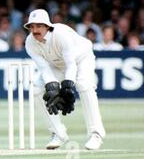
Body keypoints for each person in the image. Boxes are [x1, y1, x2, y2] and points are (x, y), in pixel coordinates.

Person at [24, 9, 106, 150]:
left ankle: (96, 134)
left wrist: (67, 86)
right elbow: (44, 68)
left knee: (83, 85)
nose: (35, 30)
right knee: (36, 90)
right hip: (56, 64)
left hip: (81, 58)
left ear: (47, 26)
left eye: (38, 26)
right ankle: (58, 133)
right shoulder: (30, 43)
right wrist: (52, 86)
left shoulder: (61, 34)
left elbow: (71, 64)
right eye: (32, 26)